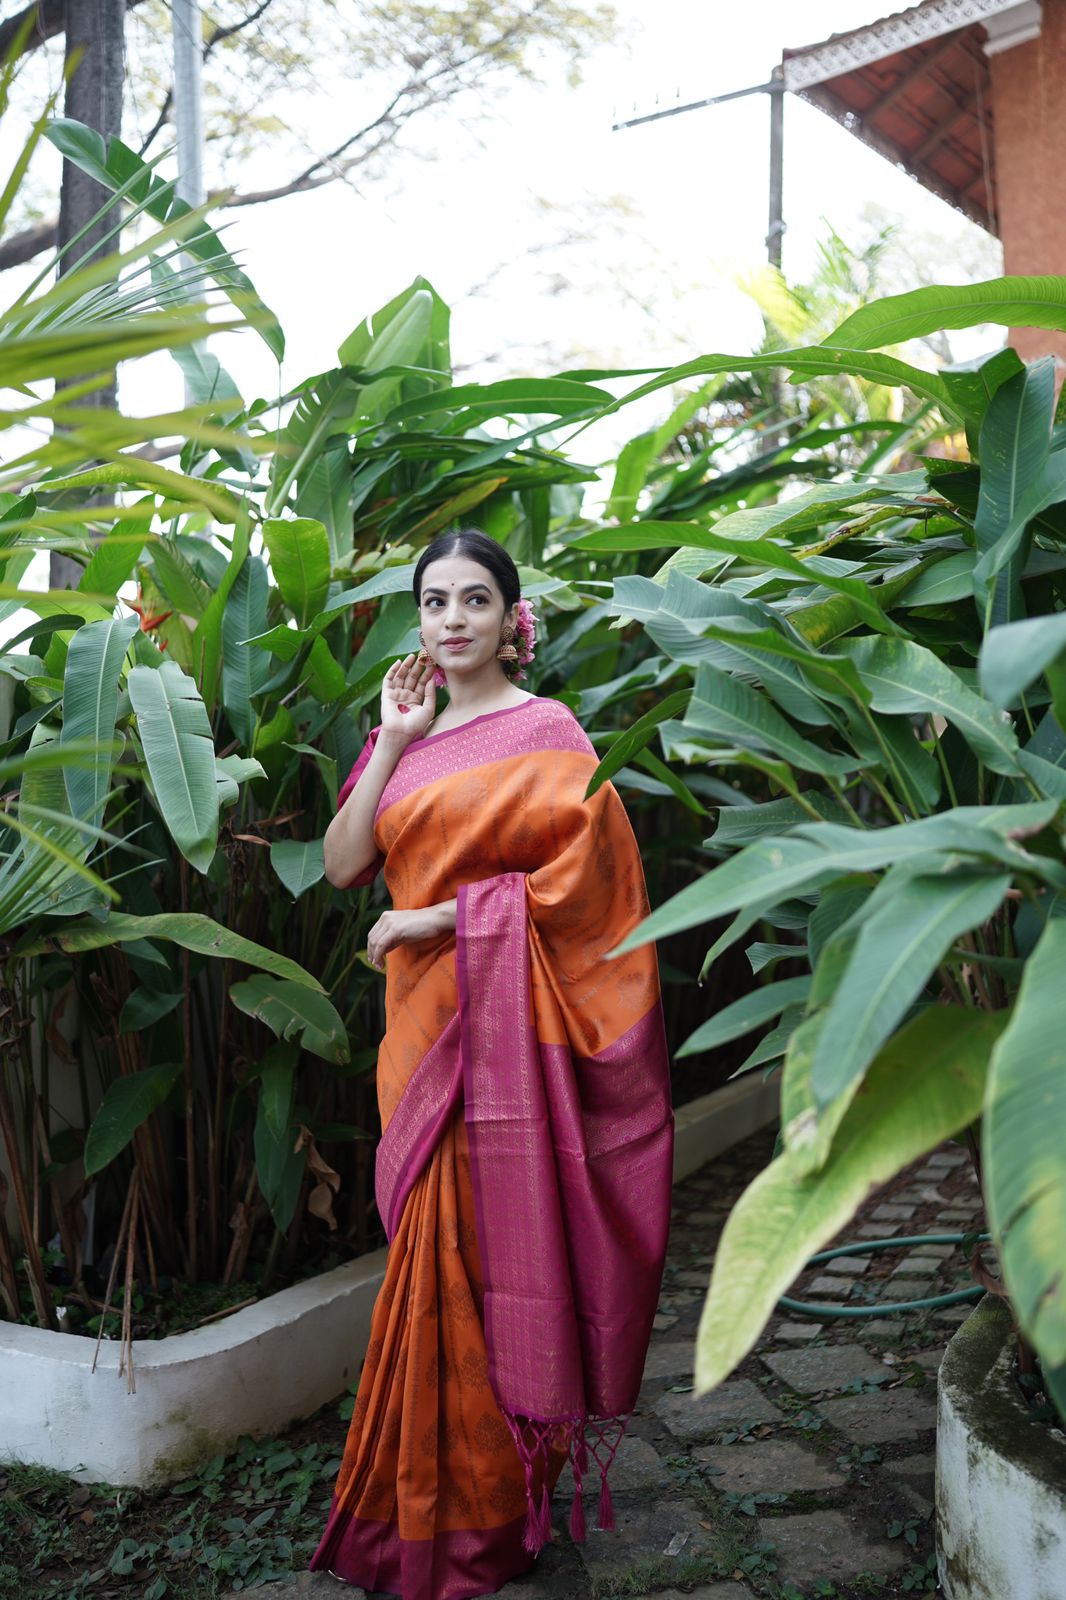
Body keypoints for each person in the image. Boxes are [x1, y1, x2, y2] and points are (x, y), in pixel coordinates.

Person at [310, 529, 674, 1600]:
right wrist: (389, 739)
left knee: (499, 1264)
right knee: (432, 1261)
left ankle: (483, 1516)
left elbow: (592, 889)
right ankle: (415, 1508)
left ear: (511, 617)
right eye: (434, 601)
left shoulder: (551, 730)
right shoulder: (406, 741)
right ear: (416, 619)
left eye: (475, 598)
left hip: (522, 1036)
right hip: (425, 1039)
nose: (452, 618)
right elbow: (341, 866)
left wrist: (430, 915)